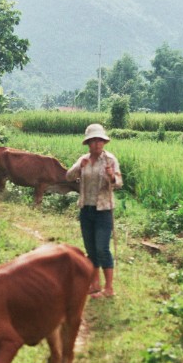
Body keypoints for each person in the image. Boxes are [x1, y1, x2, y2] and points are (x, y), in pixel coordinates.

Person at [66, 123, 122, 298]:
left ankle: (109, 288)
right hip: (86, 209)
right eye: (93, 141)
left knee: (102, 248)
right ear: (88, 143)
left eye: (100, 140)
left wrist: (112, 176)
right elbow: (68, 176)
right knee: (90, 249)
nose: (97, 144)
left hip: (103, 210)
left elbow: (119, 183)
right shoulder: (83, 159)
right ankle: (95, 284)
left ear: (104, 142)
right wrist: (78, 167)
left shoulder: (110, 160)